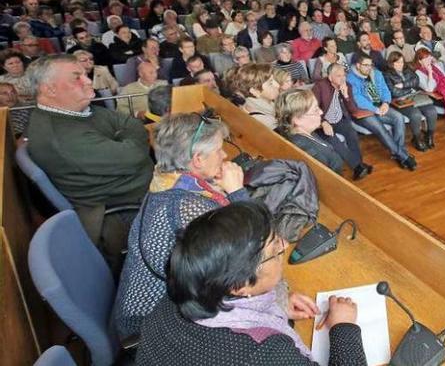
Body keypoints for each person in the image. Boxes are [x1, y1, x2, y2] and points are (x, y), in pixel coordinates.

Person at [136, 202, 368, 366]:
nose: (285, 245)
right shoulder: (262, 352)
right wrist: (343, 328)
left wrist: (277, 304)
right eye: (274, 249)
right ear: (239, 287)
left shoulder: (181, 292)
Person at [112, 112, 249, 340]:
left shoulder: (166, 180)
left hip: (151, 303)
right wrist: (237, 192)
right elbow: (250, 246)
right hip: (154, 325)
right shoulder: (188, 206)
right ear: (197, 159)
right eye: (218, 150)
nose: (224, 155)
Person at [26, 54, 153, 265]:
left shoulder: (80, 110)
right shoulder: (60, 137)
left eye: (85, 75)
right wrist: (127, 140)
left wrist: (127, 139)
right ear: (49, 89)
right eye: (77, 77)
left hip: (136, 187)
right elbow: (135, 155)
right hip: (128, 207)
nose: (88, 81)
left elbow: (133, 125)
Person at [347, 54, 417, 170]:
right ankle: (404, 156)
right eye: (365, 65)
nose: (369, 68)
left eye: (370, 65)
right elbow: (358, 99)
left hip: (380, 106)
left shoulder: (376, 73)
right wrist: (376, 110)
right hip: (364, 112)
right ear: (358, 65)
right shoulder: (350, 78)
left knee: (398, 117)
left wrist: (385, 103)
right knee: (380, 129)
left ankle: (398, 154)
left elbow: (385, 90)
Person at [276, 89, 357, 175]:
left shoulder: (305, 132)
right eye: (315, 110)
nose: (321, 112)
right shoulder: (311, 154)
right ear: (297, 119)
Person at [311, 64, 372, 180]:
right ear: (330, 77)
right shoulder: (320, 86)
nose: (342, 78)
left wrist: (346, 95)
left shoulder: (347, 86)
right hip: (322, 124)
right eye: (338, 76)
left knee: (352, 134)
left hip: (339, 119)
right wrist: (323, 122)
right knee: (334, 140)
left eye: (344, 75)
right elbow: (312, 109)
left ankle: (358, 166)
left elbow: (353, 109)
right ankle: (358, 166)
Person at [383, 51, 437, 151]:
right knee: (415, 114)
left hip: (415, 96)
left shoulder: (407, 69)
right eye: (397, 62)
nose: (400, 65)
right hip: (400, 100)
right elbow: (394, 92)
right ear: (392, 63)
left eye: (402, 62)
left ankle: (429, 136)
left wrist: (403, 85)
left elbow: (416, 80)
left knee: (432, 111)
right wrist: (410, 88)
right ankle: (416, 139)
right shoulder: (387, 74)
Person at [226, 63, 281, 129]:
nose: (278, 85)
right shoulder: (267, 122)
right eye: (270, 83)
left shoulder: (250, 105)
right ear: (255, 91)